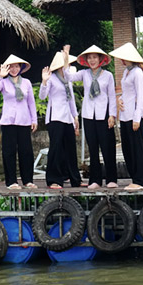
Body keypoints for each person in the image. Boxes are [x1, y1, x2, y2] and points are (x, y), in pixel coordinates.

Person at [64, 44, 118, 189]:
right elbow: (68, 76)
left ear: (100, 59)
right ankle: (95, 180)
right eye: (89, 58)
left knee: (108, 148)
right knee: (93, 149)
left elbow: (112, 96)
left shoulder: (108, 75)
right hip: (89, 115)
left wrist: (112, 115)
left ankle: (112, 179)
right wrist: (66, 58)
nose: (92, 60)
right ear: (86, 60)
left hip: (104, 114)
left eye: (95, 57)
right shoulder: (84, 73)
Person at [0, 54, 38, 190]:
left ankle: (28, 180)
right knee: (9, 151)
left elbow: (31, 102)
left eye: (17, 66)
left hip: (24, 120)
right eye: (11, 67)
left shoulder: (26, 83)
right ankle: (11, 182)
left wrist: (34, 119)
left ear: (21, 68)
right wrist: (0, 75)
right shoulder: (3, 82)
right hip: (8, 121)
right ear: (7, 68)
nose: (14, 69)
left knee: (26, 151)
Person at [40, 50, 84, 189]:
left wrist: (75, 117)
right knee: (56, 148)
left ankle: (75, 179)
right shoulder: (52, 78)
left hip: (67, 118)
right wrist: (44, 81)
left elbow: (70, 100)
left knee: (71, 148)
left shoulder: (68, 81)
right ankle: (54, 179)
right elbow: (42, 96)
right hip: (55, 117)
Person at [108, 42, 143, 191]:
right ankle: (135, 177)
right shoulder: (126, 72)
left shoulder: (138, 72)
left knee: (137, 148)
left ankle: (140, 180)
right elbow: (126, 92)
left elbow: (140, 95)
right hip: (125, 115)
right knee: (127, 148)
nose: (121, 60)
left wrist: (137, 118)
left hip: (135, 115)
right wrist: (120, 100)